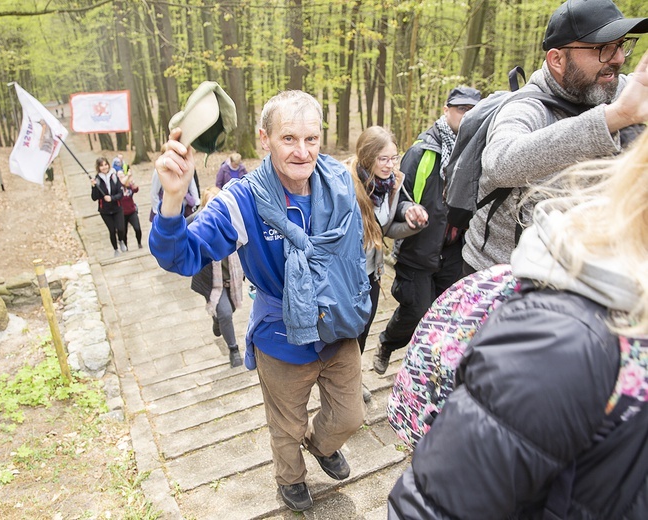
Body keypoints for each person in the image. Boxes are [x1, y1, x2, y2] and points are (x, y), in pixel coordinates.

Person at [387, 126, 648, 520]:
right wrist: (408, 218)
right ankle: (387, 346)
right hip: (420, 261)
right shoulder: (565, 342)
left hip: (447, 258)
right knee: (411, 313)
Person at [150, 90, 370, 513]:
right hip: (282, 337)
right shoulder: (242, 200)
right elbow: (181, 255)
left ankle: (322, 445)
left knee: (349, 417)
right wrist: (174, 198)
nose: (302, 152)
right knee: (286, 427)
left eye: (312, 139)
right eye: (289, 138)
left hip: (340, 327)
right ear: (264, 139)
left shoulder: (338, 181)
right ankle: (290, 481)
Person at [462, 0, 648, 275]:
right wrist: (615, 117)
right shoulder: (525, 107)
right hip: (504, 279)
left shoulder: (619, 90)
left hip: (588, 276)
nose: (619, 58)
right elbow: (499, 163)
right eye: (604, 48)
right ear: (557, 60)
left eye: (621, 45)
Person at [373, 86, 481, 375]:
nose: (467, 115)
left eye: (473, 110)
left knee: (446, 316)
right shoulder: (422, 151)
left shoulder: (479, 149)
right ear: (446, 110)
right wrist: (409, 210)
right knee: (416, 311)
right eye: (461, 109)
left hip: (455, 250)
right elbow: (397, 196)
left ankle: (427, 369)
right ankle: (386, 343)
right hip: (419, 249)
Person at [344, 127, 428, 399]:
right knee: (344, 335)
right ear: (367, 157)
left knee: (363, 332)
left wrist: (412, 218)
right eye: (383, 159)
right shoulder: (344, 184)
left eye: (394, 158)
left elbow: (386, 228)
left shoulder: (391, 184)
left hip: (372, 273)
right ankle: (341, 388)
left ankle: (352, 383)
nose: (390, 165)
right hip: (345, 276)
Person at [188, 186, 244, 368]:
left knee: (230, 311)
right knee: (226, 313)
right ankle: (233, 349)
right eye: (210, 202)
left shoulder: (233, 222)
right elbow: (178, 230)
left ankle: (217, 319)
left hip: (232, 280)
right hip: (212, 283)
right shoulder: (198, 224)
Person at [91, 156, 127, 257]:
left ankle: (121, 240)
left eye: (105, 164)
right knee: (112, 230)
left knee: (121, 228)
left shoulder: (114, 176)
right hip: (105, 210)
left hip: (117, 207)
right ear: (98, 167)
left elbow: (121, 194)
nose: (104, 167)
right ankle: (115, 249)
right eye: (101, 166)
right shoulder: (97, 179)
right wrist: (94, 187)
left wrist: (112, 198)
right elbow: (94, 197)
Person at [117, 167, 143, 249]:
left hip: (131, 211)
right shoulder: (117, 187)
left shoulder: (128, 185)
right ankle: (125, 246)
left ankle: (139, 242)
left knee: (137, 228)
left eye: (122, 175)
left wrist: (132, 181)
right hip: (122, 213)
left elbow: (136, 189)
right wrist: (127, 176)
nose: (122, 177)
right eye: (120, 176)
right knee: (123, 232)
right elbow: (121, 183)